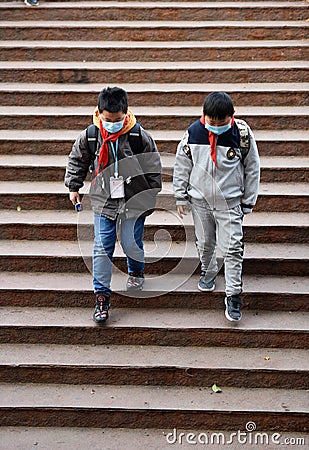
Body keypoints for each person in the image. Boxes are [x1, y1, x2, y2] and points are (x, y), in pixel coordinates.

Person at [65, 86, 162, 324]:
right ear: (99, 113)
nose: (112, 124)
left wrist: (151, 194)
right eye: (107, 120)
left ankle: (136, 271)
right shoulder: (91, 135)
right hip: (103, 199)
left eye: (117, 120)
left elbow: (153, 165)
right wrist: (73, 186)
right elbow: (77, 159)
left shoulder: (139, 136)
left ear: (125, 114)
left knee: (131, 242)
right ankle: (101, 297)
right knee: (102, 247)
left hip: (133, 199)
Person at [173, 91, 260, 321]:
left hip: (229, 202)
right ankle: (209, 270)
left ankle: (233, 295)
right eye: (211, 121)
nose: (216, 126)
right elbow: (182, 164)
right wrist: (180, 195)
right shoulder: (193, 133)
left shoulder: (241, 134)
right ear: (204, 116)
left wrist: (248, 200)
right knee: (205, 242)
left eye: (222, 122)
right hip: (200, 200)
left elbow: (252, 168)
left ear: (232, 116)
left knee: (232, 248)